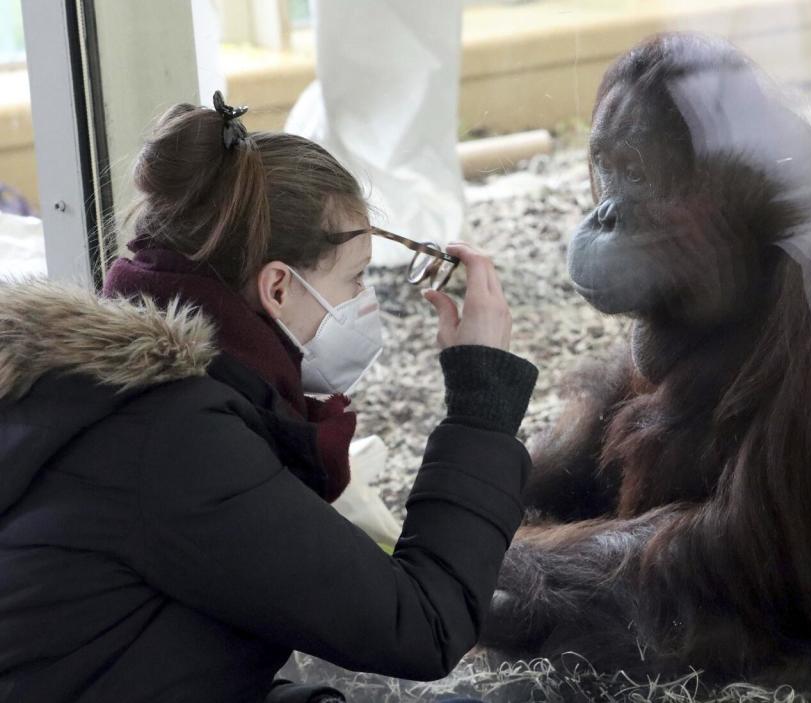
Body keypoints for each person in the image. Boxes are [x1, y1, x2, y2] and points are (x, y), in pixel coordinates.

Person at [0, 93, 538, 703]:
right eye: (355, 279)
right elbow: (422, 627)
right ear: (278, 286)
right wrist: (479, 406)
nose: (365, 303)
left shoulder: (104, 387)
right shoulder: (176, 437)